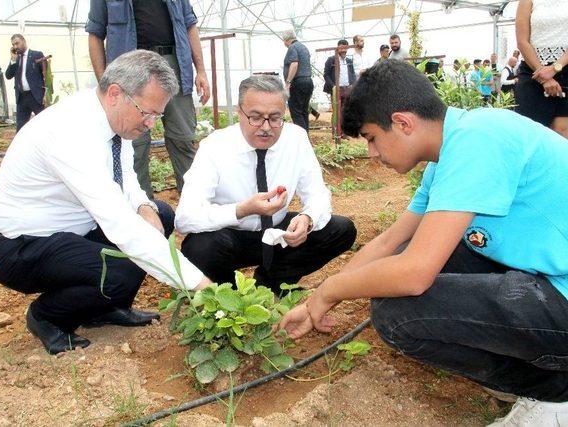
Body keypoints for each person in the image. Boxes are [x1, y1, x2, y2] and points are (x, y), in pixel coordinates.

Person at [278, 59, 568, 426]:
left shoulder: (479, 141)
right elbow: (388, 244)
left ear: (402, 122)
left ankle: (555, 393)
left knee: (398, 314)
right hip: (550, 275)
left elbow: (414, 274)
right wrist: (318, 300)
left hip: (562, 288)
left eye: (371, 138)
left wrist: (331, 289)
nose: (371, 153)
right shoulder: (453, 147)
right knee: (401, 261)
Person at [0, 50, 211, 355]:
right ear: (116, 93)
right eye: (147, 112)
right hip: (22, 245)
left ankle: (103, 309)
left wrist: (144, 207)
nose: (151, 124)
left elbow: (126, 177)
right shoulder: (70, 131)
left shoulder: (116, 123)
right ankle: (46, 316)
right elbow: (120, 224)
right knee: (114, 272)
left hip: (73, 231)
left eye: (157, 115)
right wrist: (200, 285)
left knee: (161, 215)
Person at [175, 75, 356, 291]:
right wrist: (241, 210)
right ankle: (231, 295)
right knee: (200, 248)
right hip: (232, 236)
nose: (266, 127)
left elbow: (317, 194)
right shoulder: (215, 146)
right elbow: (185, 218)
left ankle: (271, 284)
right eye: (256, 117)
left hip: (279, 235)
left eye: (275, 118)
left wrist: (307, 219)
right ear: (238, 112)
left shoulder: (296, 138)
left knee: (340, 230)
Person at [86, 0, 211, 199]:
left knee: (183, 138)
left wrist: (201, 71)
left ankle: (194, 203)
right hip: (130, 68)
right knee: (134, 146)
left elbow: (189, 25)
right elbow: (95, 33)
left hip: (174, 61)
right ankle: (143, 208)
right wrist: (104, 83)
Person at [515, 0, 568, 138]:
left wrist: (555, 68)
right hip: (532, 70)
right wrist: (542, 73)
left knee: (562, 132)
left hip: (565, 69)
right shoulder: (527, 2)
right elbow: (522, 41)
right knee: (530, 133)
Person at [4, 34, 45, 132]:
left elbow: (45, 76)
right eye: (13, 45)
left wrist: (45, 94)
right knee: (21, 129)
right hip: (21, 98)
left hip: (36, 96)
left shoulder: (37, 55)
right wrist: (13, 60)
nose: (15, 47)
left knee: (44, 124)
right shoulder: (16, 59)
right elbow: (8, 76)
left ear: (24, 41)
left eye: (17, 43)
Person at [282, 30, 314, 133]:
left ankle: (302, 138)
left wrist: (288, 82)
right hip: (308, 81)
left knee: (296, 112)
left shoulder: (292, 47)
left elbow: (294, 64)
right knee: (303, 112)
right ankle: (306, 138)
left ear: (287, 40)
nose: (284, 44)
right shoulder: (303, 47)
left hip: (298, 83)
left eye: (284, 41)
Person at [323, 39, 355, 108]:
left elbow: (352, 74)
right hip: (336, 90)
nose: (343, 50)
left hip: (347, 90)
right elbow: (326, 75)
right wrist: (333, 86)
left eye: (345, 48)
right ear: (337, 48)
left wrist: (352, 85)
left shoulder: (349, 61)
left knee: (346, 111)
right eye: (341, 48)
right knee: (336, 112)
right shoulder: (331, 60)